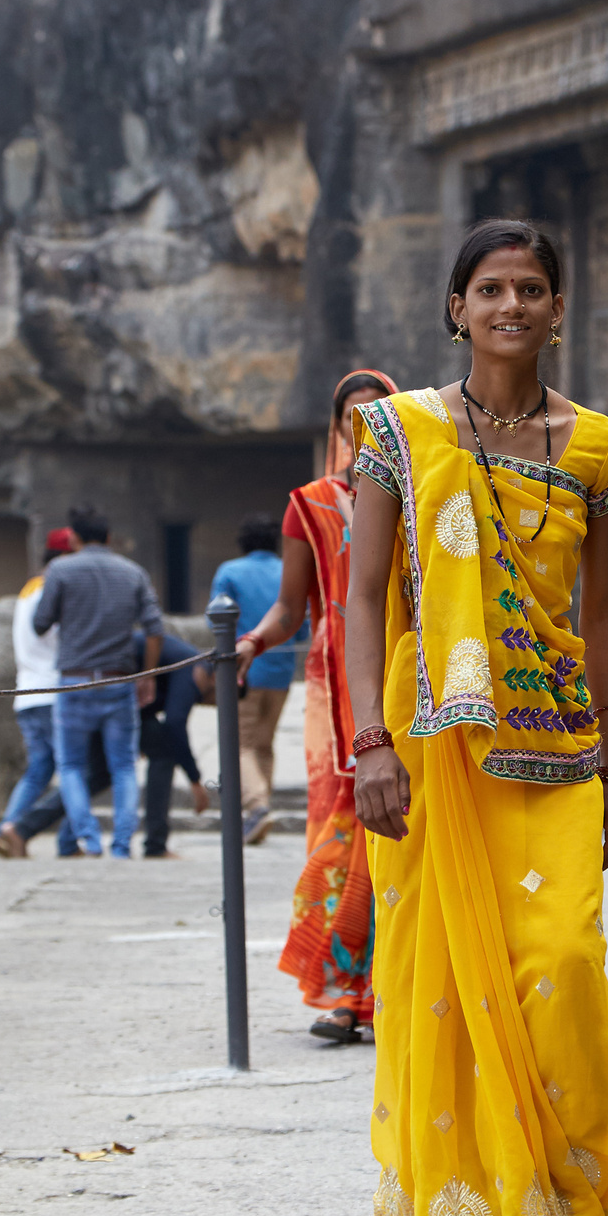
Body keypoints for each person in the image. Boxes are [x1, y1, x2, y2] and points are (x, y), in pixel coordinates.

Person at [345, 220, 608, 1216]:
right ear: (456, 309)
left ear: (558, 309)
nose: (511, 304)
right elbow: (364, 593)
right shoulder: (400, 433)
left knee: (559, 971)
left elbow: (605, 611)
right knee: (451, 1000)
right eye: (489, 288)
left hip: (559, 743)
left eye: (530, 287)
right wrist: (368, 748)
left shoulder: (598, 449)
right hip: (432, 750)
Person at [238, 367, 397, 1044]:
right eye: (350, 419)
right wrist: (247, 641)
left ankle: (395, 990)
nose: (362, 430)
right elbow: (288, 604)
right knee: (338, 842)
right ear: (336, 429)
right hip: (334, 687)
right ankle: (340, 994)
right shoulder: (309, 503)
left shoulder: (425, 493)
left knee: (404, 836)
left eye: (375, 417)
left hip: (405, 678)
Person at [32, 506, 162, 862]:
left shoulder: (60, 570)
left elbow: (40, 623)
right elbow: (155, 629)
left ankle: (89, 840)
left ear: (73, 537)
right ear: (108, 537)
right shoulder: (133, 572)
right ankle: (121, 846)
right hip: (119, 680)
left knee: (71, 766)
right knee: (123, 766)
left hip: (73, 682)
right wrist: (146, 675)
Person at [0, 526, 79, 859]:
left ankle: (6, 830)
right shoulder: (55, 589)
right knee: (75, 768)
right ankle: (68, 841)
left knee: (39, 769)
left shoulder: (29, 589)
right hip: (54, 691)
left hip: (26, 693)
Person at [212, 515, 299, 844]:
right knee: (264, 743)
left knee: (241, 743)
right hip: (282, 668)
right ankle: (259, 812)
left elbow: (218, 622)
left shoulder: (230, 572)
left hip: (244, 669)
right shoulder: (285, 571)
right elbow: (299, 622)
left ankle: (257, 806)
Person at [134, 624, 209, 859]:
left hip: (127, 702)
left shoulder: (188, 662)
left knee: (94, 771)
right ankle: (155, 844)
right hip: (114, 693)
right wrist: (195, 780)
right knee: (164, 753)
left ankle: (25, 827)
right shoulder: (193, 671)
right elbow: (175, 724)